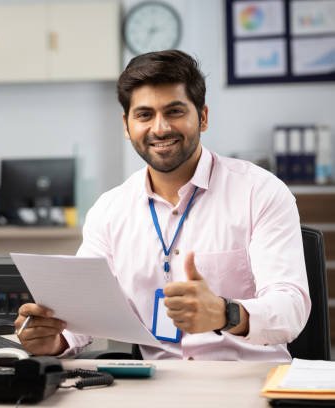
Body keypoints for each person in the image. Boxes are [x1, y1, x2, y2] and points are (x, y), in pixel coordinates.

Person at [15, 50, 310, 361]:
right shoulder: (110, 210)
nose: (160, 128)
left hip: (247, 379)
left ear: (203, 117)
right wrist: (54, 339)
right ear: (127, 126)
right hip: (157, 383)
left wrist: (227, 313)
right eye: (144, 115)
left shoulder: (259, 192)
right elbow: (87, 312)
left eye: (174, 111)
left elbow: (291, 307)